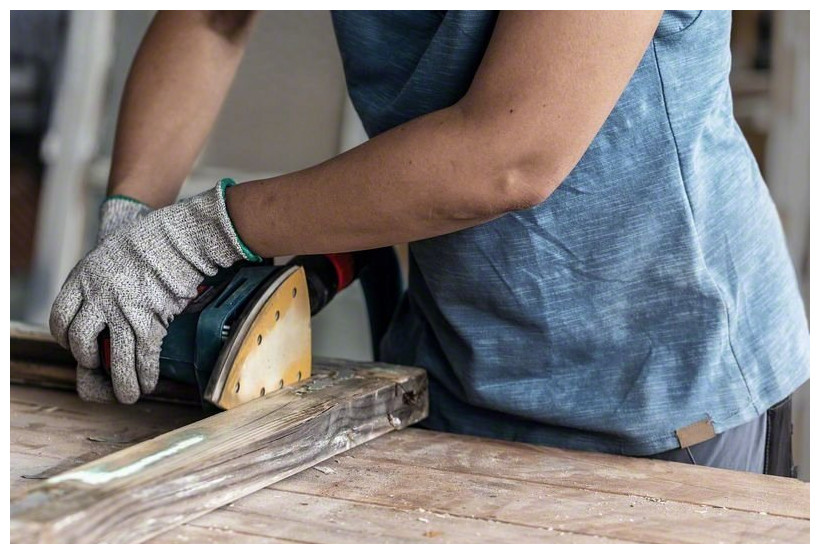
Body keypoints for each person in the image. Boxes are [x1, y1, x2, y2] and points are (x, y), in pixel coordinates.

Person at [50, 11, 809, 475]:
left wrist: (206, 233)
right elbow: (212, 18)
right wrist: (133, 224)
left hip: (664, 387)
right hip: (455, 357)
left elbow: (512, 155)